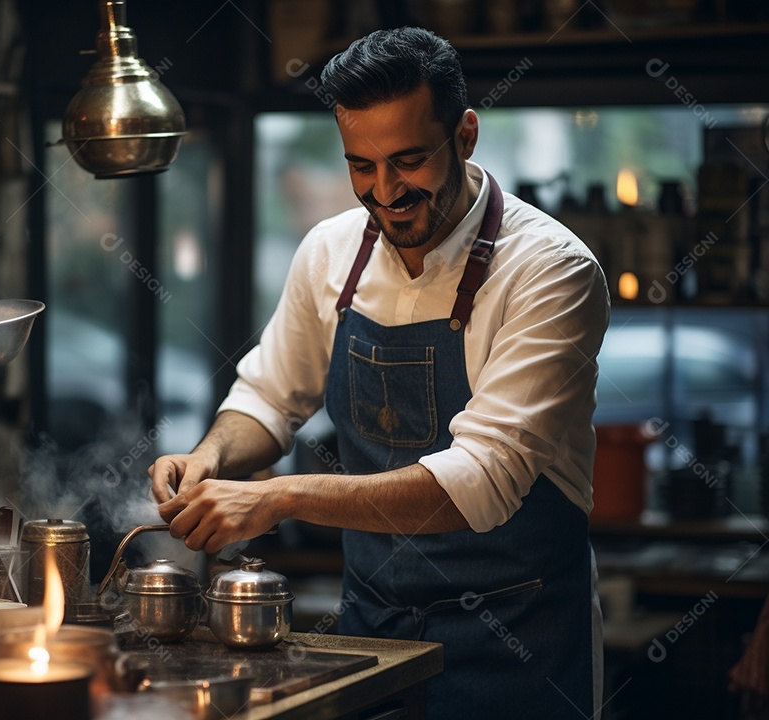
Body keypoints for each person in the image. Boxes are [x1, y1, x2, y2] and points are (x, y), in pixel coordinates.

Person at [149, 26, 609, 719]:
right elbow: (271, 397)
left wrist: (277, 498)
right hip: (374, 633)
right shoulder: (330, 252)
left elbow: (478, 484)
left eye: (409, 160)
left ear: (466, 135)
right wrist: (210, 458)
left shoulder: (551, 272)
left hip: (519, 639)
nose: (385, 191)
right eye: (361, 166)